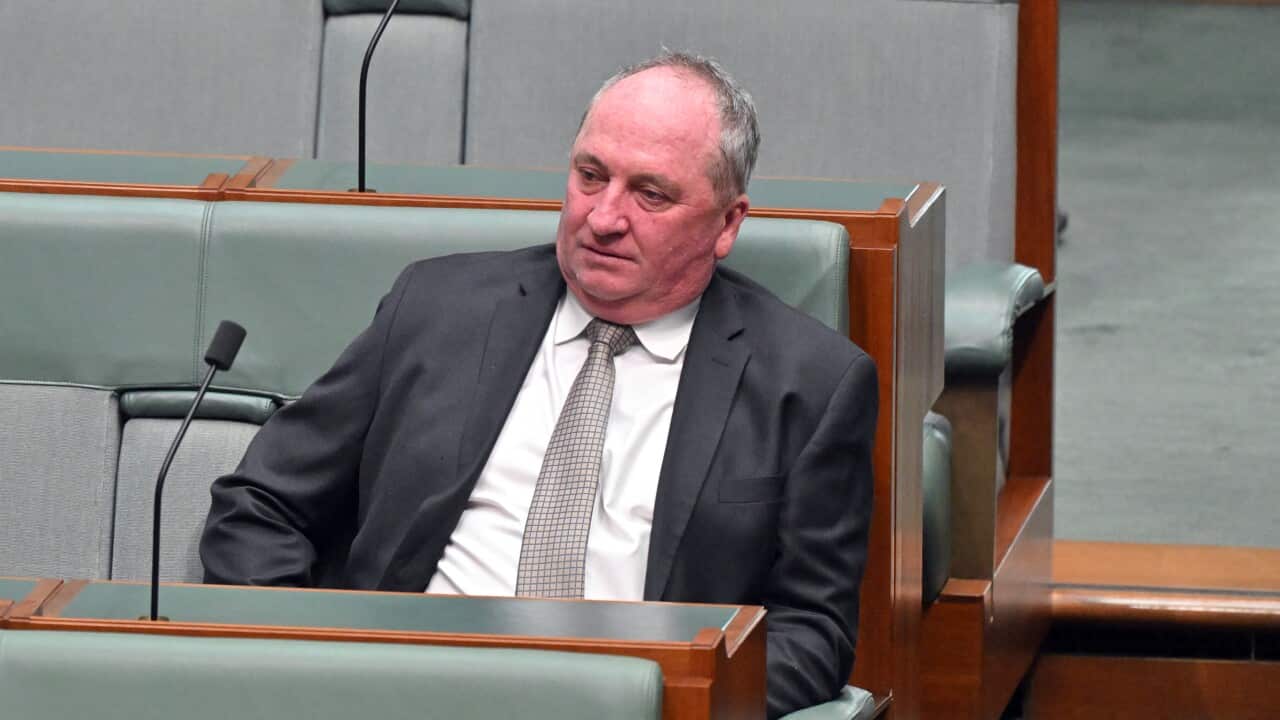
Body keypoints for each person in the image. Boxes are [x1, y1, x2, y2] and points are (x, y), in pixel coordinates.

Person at [201, 51, 876, 718]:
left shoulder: (810, 384)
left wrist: (673, 704)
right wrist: (304, 670)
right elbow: (260, 505)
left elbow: (813, 631)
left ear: (728, 223)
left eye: (650, 194)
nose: (604, 217)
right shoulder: (437, 309)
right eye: (590, 176)